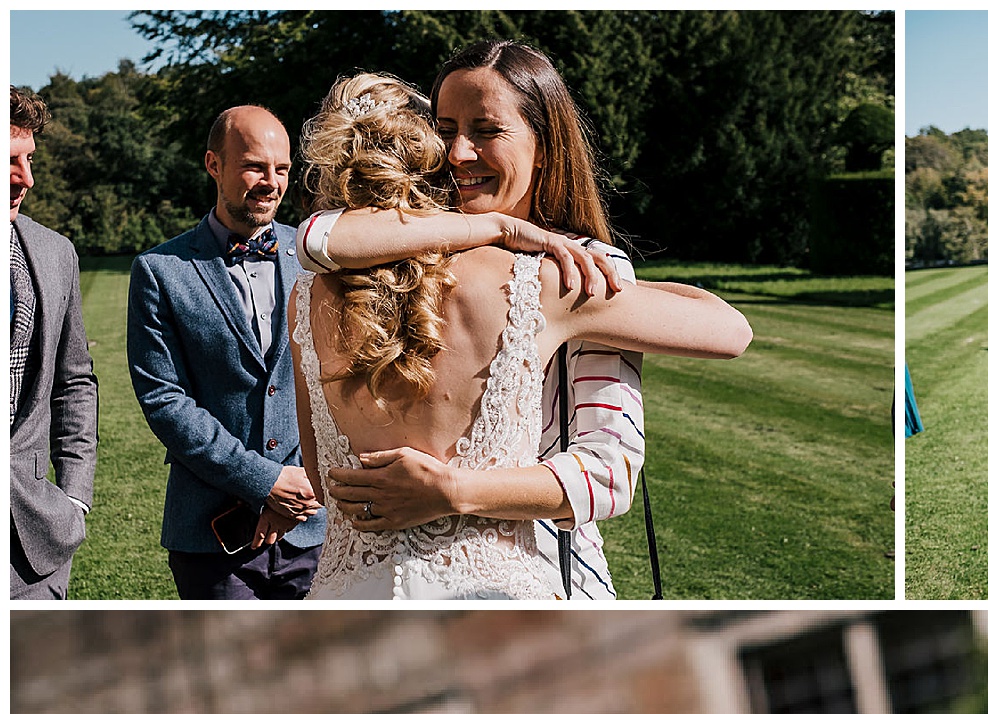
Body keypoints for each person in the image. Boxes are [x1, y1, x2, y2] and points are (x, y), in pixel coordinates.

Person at [296, 39, 751, 599]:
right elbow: (318, 239)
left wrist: (453, 491)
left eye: (486, 130)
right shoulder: (380, 261)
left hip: (533, 572)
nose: (458, 152)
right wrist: (499, 230)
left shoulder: (575, 273)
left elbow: (607, 472)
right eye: (444, 129)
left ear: (546, 144)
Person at [127, 105, 325, 598]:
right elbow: (164, 402)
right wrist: (263, 481)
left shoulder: (316, 256)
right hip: (212, 537)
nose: (271, 182)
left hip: (316, 528)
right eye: (255, 166)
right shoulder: (159, 270)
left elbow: (338, 383)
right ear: (214, 164)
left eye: (282, 169)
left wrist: (297, 490)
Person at [9, 86, 96, 600]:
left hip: (34, 540)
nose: (27, 179)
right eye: (9, 163)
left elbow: (75, 381)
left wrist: (76, 496)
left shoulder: (53, 252)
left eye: (29, 160)